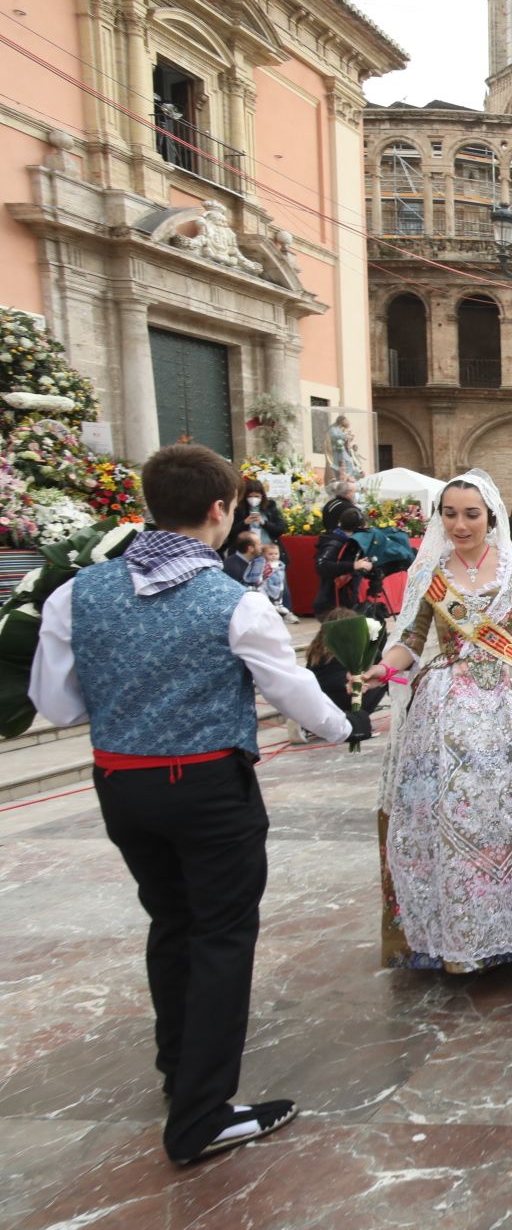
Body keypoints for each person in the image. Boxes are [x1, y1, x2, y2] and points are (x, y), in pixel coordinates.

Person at [28, 444, 351, 1164]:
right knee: (221, 937)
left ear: (150, 504)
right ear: (220, 509)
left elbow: (54, 703)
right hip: (206, 788)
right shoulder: (233, 600)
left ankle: (179, 1070)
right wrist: (341, 724)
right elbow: (289, 689)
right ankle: (202, 1115)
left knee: (169, 920)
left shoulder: (76, 593)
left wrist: (127, 700)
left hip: (120, 783)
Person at [365, 470, 512, 972]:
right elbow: (410, 639)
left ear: (490, 515)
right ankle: (468, 931)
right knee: (459, 817)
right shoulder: (429, 574)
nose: (460, 524)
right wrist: (385, 667)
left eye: (471, 514)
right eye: (449, 513)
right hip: (448, 711)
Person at [299, 606, 385, 743]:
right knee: (383, 679)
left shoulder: (316, 647)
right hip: (347, 694)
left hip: (321, 699)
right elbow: (377, 665)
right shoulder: (352, 647)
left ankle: (311, 724)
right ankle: (358, 718)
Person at [312, 507, 372, 615]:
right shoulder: (335, 542)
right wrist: (353, 565)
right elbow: (322, 566)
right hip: (332, 605)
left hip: (345, 600)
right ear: (358, 528)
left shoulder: (349, 541)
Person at [226, 479, 286, 552]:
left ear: (262, 496)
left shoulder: (270, 507)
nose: (253, 499)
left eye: (257, 496)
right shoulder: (239, 509)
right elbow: (230, 532)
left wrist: (264, 523)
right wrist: (244, 523)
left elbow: (280, 529)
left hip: (267, 550)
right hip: (246, 551)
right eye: (250, 496)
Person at [257, 543, 297, 622]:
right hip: (265, 587)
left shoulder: (280, 564)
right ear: (264, 554)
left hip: (278, 586)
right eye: (270, 554)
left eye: (276, 554)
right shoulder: (262, 564)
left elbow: (281, 575)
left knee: (278, 600)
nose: (274, 556)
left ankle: (283, 613)